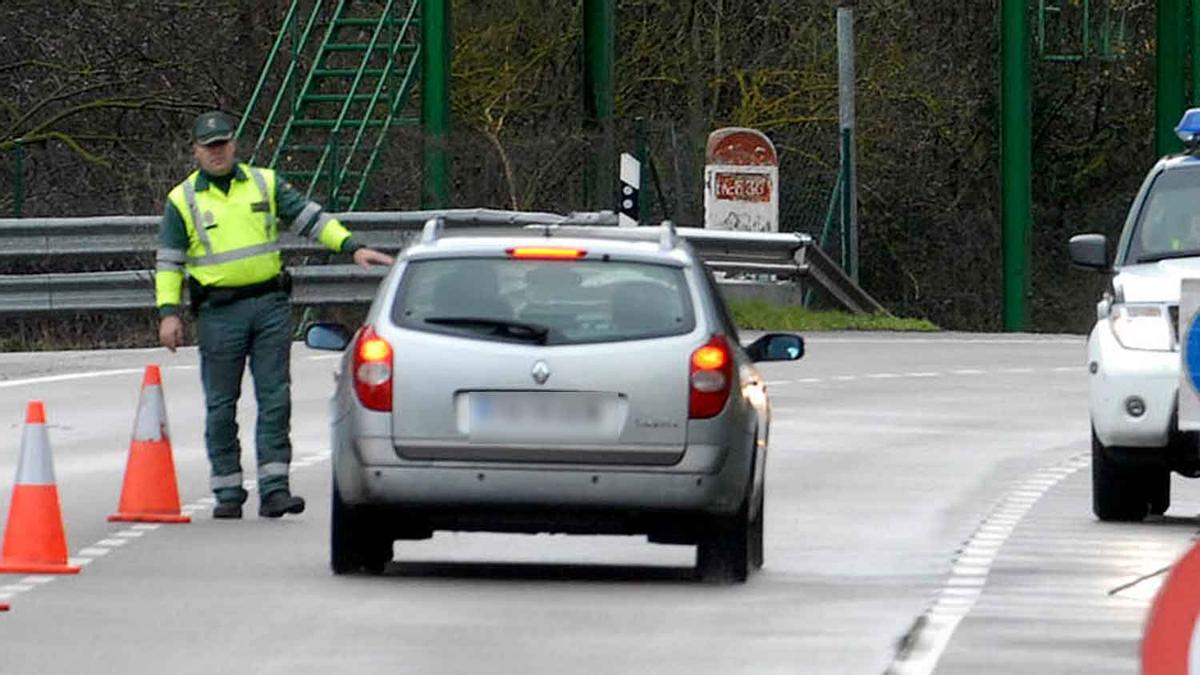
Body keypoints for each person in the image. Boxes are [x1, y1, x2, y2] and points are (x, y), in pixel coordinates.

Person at [154, 111, 394, 519]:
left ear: (234, 144)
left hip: (269, 306)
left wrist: (351, 246)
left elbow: (310, 220)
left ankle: (274, 487)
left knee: (275, 398)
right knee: (221, 404)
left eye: (223, 144)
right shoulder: (183, 200)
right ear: (196, 151)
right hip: (218, 312)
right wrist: (168, 313)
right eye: (209, 146)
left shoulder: (264, 183)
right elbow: (169, 262)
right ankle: (227, 490)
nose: (218, 152)